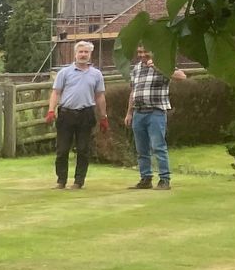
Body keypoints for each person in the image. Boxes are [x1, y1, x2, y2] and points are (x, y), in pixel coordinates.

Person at [123, 45, 190, 190]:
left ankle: (164, 179)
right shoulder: (136, 69)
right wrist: (129, 113)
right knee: (141, 149)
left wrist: (158, 67)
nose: (142, 55)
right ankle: (145, 179)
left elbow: (182, 76)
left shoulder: (163, 65)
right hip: (138, 112)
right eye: (139, 52)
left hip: (155, 112)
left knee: (158, 147)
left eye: (145, 51)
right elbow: (133, 92)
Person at [46, 41, 108, 188]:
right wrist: (51, 110)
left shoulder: (96, 74)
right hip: (66, 113)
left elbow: (99, 96)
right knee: (62, 150)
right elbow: (56, 92)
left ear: (90, 54)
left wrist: (103, 117)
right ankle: (61, 180)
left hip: (86, 114)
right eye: (80, 52)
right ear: (75, 54)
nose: (83, 54)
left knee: (83, 149)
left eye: (86, 52)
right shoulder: (64, 73)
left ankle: (79, 181)